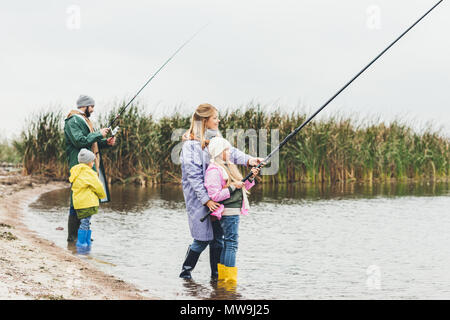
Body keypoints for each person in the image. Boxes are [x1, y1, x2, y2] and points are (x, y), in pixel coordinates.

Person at [178, 103, 263, 280]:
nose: (218, 120)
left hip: (219, 194)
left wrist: (249, 161)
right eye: (215, 117)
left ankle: (216, 278)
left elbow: (229, 152)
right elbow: (193, 178)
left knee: (218, 238)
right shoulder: (190, 145)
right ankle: (185, 273)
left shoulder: (216, 137)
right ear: (205, 120)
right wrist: (206, 201)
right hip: (200, 198)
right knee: (202, 239)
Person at [204, 137, 260, 284]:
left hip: (233, 211)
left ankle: (222, 281)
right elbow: (214, 196)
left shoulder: (228, 167)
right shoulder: (214, 170)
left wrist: (251, 177)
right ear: (219, 152)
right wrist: (233, 186)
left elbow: (244, 187)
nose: (229, 152)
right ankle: (228, 282)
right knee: (231, 244)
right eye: (226, 150)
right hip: (228, 212)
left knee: (228, 243)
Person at [64, 95, 116, 243]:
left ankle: (82, 234)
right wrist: (98, 133)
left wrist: (106, 142)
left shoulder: (85, 121)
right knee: (76, 200)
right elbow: (80, 141)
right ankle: (72, 237)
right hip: (78, 166)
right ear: (84, 106)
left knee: (86, 199)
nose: (93, 109)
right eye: (91, 106)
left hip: (88, 165)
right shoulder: (73, 121)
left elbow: (92, 142)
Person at [69, 148, 106, 253]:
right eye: (93, 161)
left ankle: (87, 242)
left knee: (85, 222)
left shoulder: (76, 172)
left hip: (79, 203)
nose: (93, 163)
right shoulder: (89, 173)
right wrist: (102, 195)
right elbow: (98, 186)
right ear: (89, 162)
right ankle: (81, 244)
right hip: (87, 203)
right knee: (85, 222)